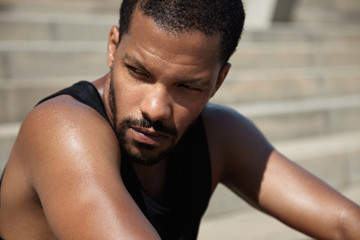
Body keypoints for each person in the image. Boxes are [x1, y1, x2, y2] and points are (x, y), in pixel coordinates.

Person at [0, 0, 359, 239]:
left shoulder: (221, 136)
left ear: (218, 81)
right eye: (138, 71)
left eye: (186, 85)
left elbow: (344, 223)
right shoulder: (63, 129)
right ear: (113, 47)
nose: (155, 108)